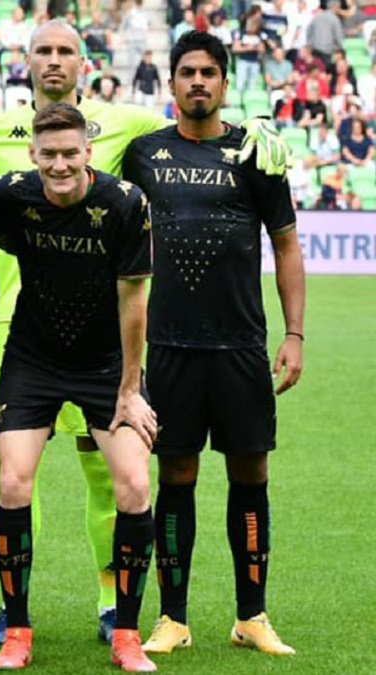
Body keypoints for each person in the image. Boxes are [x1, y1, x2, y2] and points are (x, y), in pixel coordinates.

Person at [0, 19, 291, 647]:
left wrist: (258, 125)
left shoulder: (126, 124)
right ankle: (10, 609)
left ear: (84, 62)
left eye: (65, 51)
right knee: (15, 476)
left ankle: (114, 602)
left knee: (110, 477)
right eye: (43, 51)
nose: (54, 61)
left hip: (104, 337)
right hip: (16, 328)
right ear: (25, 60)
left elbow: (191, 127)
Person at [122, 30, 304, 659]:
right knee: (177, 474)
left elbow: (286, 244)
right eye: (187, 72)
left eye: (208, 72)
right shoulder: (144, 154)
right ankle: (172, 618)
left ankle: (251, 615)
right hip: (170, 345)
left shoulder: (256, 152)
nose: (198, 81)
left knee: (251, 471)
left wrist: (295, 334)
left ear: (225, 83)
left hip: (240, 345)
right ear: (172, 82)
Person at [0, 102, 158, 673]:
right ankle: (17, 630)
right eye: (48, 155)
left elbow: (134, 301)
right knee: (12, 482)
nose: (59, 165)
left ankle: (127, 633)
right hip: (32, 359)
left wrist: (130, 390)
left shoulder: (124, 203)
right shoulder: (12, 195)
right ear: (32, 155)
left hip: (105, 364)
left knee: (134, 485)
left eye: (69, 154)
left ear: (88, 152)